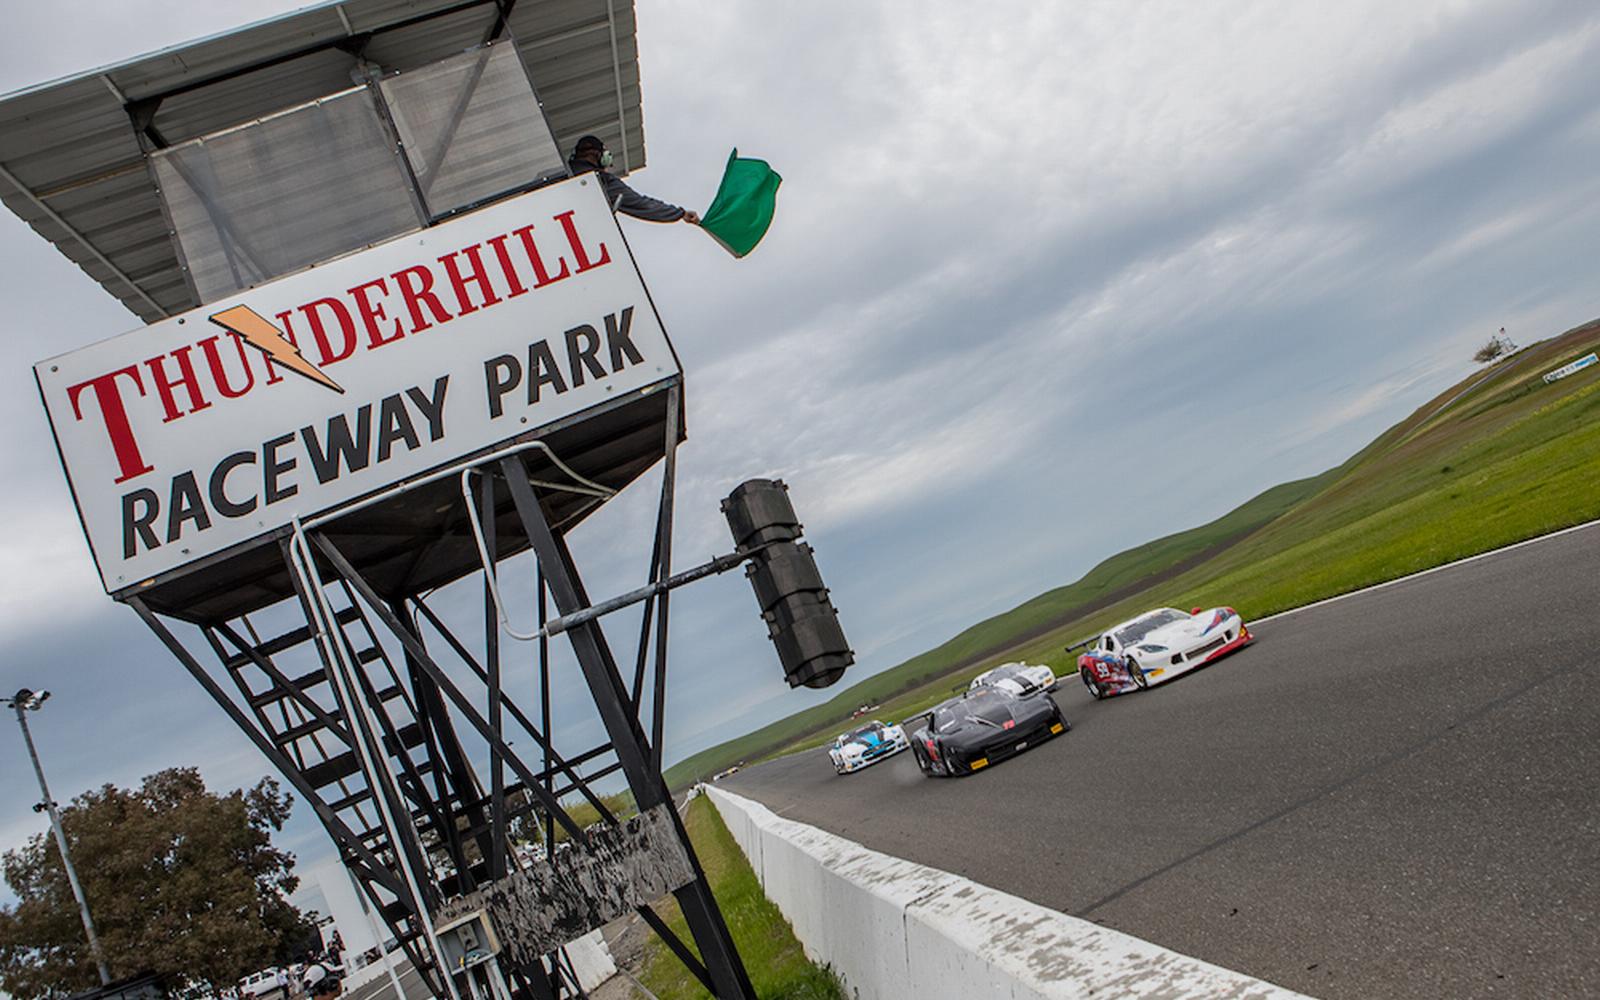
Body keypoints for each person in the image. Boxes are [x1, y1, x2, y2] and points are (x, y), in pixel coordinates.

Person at [567, 135, 700, 225]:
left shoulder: (562, 173)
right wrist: (679, 213)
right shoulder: (601, 181)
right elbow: (642, 205)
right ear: (599, 156)